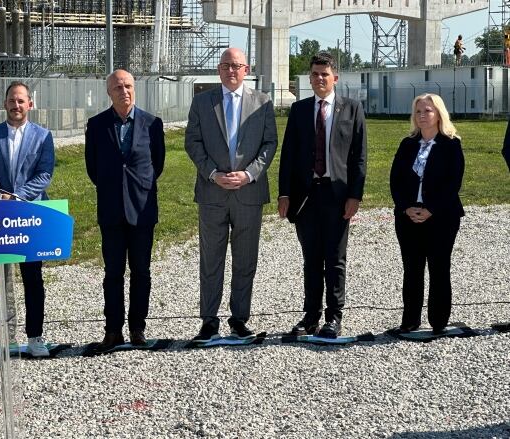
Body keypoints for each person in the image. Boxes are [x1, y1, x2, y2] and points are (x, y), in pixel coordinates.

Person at [184, 48, 277, 342]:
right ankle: (209, 321)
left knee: (245, 259)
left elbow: (269, 144)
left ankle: (239, 319)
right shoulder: (202, 102)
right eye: (225, 66)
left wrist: (248, 174)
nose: (231, 71)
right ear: (218, 69)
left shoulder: (262, 102)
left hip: (248, 192)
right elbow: (193, 142)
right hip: (213, 192)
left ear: (246, 69)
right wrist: (213, 173)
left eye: (236, 66)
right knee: (211, 260)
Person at [278, 52, 367, 339]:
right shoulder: (300, 110)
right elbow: (288, 156)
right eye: (314, 74)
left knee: (335, 258)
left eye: (324, 74)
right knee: (311, 259)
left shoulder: (351, 109)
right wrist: (284, 194)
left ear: (335, 78)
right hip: (306, 197)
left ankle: (334, 316)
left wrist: (355, 196)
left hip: (337, 195)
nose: (319, 79)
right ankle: (311, 316)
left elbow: (359, 158)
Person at [85, 69, 165, 351]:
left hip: (142, 210)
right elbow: (92, 168)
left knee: (141, 271)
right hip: (111, 210)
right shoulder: (96, 125)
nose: (124, 91)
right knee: (113, 273)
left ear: (135, 89)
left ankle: (137, 328)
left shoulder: (152, 124)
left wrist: (137, 188)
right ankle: (113, 330)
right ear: (109, 92)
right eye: (118, 87)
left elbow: (158, 165)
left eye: (128, 86)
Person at [0, 81, 55, 357]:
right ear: (5, 104)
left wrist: (17, 196)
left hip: (30, 214)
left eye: (21, 101)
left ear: (30, 104)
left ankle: (35, 336)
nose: (16, 105)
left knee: (33, 278)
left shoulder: (43, 136)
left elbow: (44, 174)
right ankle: (1, 338)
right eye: (12, 100)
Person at [389, 94, 465, 335]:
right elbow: (395, 180)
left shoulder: (451, 145)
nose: (422, 116)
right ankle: (410, 319)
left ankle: (439, 320)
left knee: (439, 267)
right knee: (412, 268)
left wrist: (431, 209)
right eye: (418, 111)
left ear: (439, 114)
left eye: (428, 111)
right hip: (408, 216)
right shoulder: (407, 144)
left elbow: (453, 183)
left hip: (441, 217)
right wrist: (406, 207)